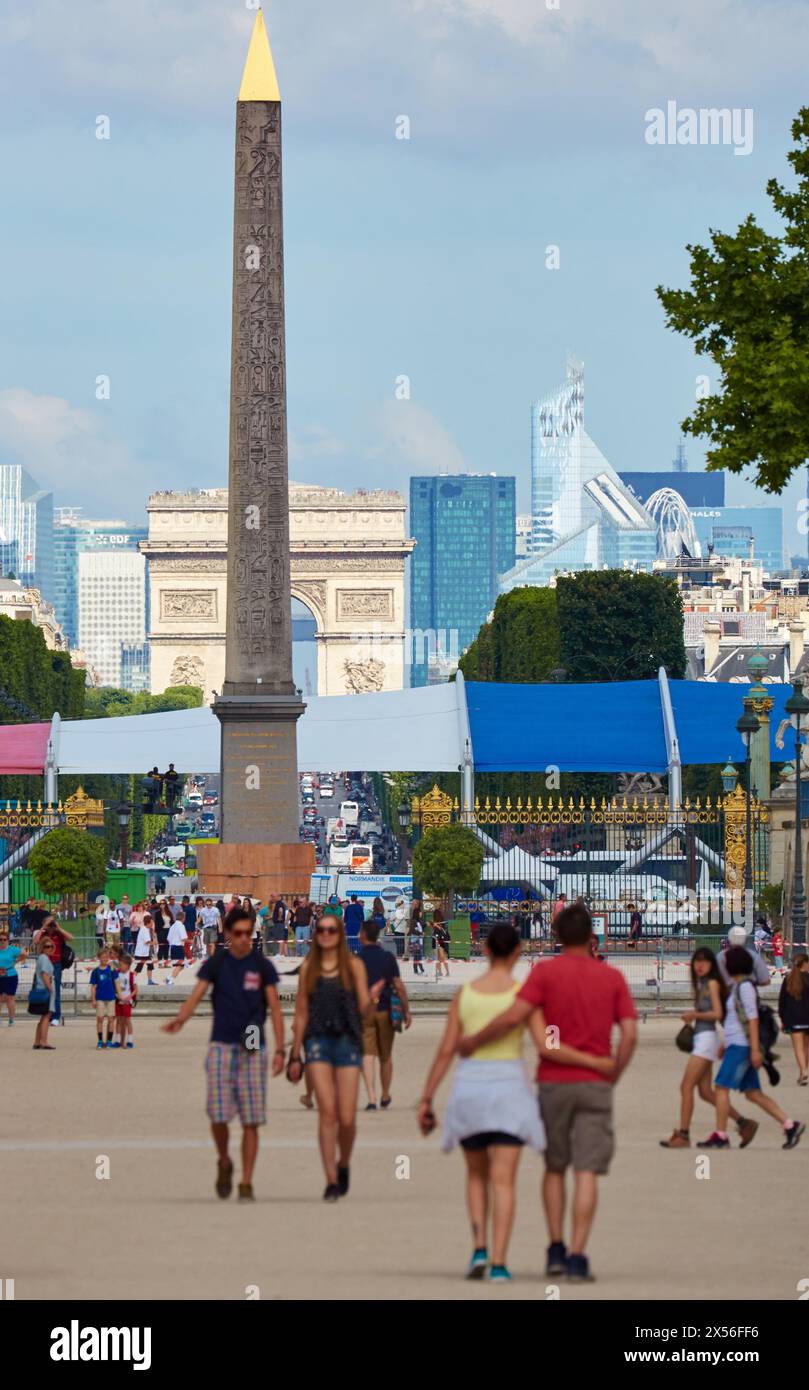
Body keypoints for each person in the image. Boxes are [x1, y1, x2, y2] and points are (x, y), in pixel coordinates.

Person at [458, 902, 637, 1283]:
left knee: (555, 1167)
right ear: (593, 937)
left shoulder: (544, 973)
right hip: (596, 1084)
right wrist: (613, 1071)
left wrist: (474, 1039)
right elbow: (630, 1033)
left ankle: (554, 1247)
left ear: (556, 936)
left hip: (555, 1081)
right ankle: (577, 1255)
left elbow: (513, 1016)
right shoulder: (612, 978)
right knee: (586, 1170)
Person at [417, 924, 548, 1281]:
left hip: (470, 1089)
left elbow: (446, 1050)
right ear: (518, 951)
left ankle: (478, 1248)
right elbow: (543, 1046)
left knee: (476, 1175)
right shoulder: (524, 996)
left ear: (486, 950)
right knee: (504, 1180)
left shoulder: (466, 993)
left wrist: (426, 1097)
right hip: (508, 1090)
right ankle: (500, 1263)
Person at [162, 906, 286, 1202]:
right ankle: (224, 1160)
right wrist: (181, 1018)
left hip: (253, 1040)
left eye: (248, 933)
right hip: (221, 1041)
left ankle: (246, 1181)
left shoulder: (262, 965)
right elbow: (197, 994)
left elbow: (276, 1009)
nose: (244, 938)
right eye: (238, 933)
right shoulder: (217, 963)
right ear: (228, 934)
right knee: (218, 1115)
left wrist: (281, 1048)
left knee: (251, 1119)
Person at [286, 912, 382, 1201]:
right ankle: (330, 1178)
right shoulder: (308, 969)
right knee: (327, 1112)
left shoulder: (354, 966)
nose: (326, 934)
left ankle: (343, 1163)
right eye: (322, 930)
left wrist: (373, 1000)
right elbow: (301, 1012)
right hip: (317, 1042)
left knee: (347, 1117)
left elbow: (364, 1008)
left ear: (340, 935)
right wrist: (293, 1053)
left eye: (332, 930)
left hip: (347, 1041)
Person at [698, 946, 805, 1151]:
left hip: (742, 1046)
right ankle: (790, 1125)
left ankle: (721, 1135)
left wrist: (755, 1049)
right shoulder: (739, 986)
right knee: (753, 1093)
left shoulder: (744, 987)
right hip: (737, 1044)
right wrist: (724, 1044)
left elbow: (752, 1018)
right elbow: (736, 1020)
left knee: (721, 1088)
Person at [660, 948, 758, 1149]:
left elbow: (716, 1013)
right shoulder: (703, 984)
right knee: (705, 1091)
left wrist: (694, 1015)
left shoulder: (712, 984)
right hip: (704, 1038)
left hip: (706, 1039)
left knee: (686, 1087)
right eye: (697, 961)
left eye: (704, 961)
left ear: (712, 965)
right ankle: (743, 1123)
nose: (700, 965)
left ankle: (684, 1135)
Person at [358, 919, 412, 1110]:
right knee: (386, 1056)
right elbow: (398, 985)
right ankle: (385, 1093)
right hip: (385, 1010)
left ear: (362, 935)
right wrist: (406, 1010)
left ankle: (371, 1097)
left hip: (364, 1012)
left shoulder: (356, 959)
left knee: (367, 1055)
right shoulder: (388, 958)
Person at [778, 953, 809, 1085]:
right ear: (805, 964)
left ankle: (803, 1070)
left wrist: (783, 1019)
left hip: (794, 1019)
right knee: (807, 1047)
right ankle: (804, 1071)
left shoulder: (788, 979)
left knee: (798, 1048)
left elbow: (782, 1002)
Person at [39, 916, 75, 1028]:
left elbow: (71, 938)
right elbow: (35, 941)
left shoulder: (58, 934)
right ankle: (47, 1015)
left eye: (52, 924)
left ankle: (56, 1017)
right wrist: (44, 927)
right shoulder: (42, 934)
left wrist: (58, 928)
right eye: (49, 924)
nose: (51, 926)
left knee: (56, 991)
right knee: (45, 991)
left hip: (56, 964)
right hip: (45, 964)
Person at [90, 947, 119, 1049]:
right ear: (99, 958)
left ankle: (109, 1040)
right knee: (100, 1019)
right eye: (103, 957)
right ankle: (100, 1040)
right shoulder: (96, 971)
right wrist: (93, 999)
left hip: (111, 997)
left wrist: (119, 995)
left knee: (111, 1019)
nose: (105, 959)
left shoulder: (111, 969)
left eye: (106, 957)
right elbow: (93, 987)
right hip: (100, 998)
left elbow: (116, 982)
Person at [31, 936, 56, 1050]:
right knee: (46, 1016)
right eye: (47, 946)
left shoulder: (41, 958)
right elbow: (45, 975)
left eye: (51, 946)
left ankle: (37, 1041)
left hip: (41, 989)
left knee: (43, 1017)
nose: (49, 948)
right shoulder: (44, 959)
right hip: (45, 990)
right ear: (42, 948)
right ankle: (43, 1041)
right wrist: (50, 989)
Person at [0, 926, 28, 1025]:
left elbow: (24, 954)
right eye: (1, 939)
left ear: (8, 940)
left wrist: (17, 961)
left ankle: (11, 1019)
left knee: (10, 998)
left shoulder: (12, 949)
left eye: (4, 939)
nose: (2, 941)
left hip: (10, 975)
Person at [112, 954, 138, 1048]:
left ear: (127, 965)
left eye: (121, 964)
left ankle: (130, 1040)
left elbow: (135, 989)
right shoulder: (117, 973)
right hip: (118, 1000)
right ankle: (118, 1040)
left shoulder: (131, 975)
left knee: (127, 1021)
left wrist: (130, 997)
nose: (120, 966)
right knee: (118, 1020)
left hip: (127, 1001)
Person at [133, 912, 157, 983]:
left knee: (150, 965)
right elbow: (147, 942)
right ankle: (130, 980)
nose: (152, 924)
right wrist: (155, 943)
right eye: (151, 922)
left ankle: (149, 980)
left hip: (145, 953)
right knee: (138, 968)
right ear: (148, 923)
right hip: (141, 953)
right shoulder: (144, 930)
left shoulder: (146, 929)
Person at [167, 913, 188, 985]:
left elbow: (168, 938)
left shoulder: (172, 926)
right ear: (183, 918)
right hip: (178, 947)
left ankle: (169, 978)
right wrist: (190, 941)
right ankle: (170, 980)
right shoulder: (181, 926)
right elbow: (184, 938)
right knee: (180, 966)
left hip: (172, 947)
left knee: (181, 965)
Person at [432, 907, 450, 980]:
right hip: (442, 941)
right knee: (441, 958)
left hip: (438, 941)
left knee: (440, 958)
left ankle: (443, 972)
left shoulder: (438, 924)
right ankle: (440, 972)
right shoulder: (441, 923)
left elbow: (439, 931)